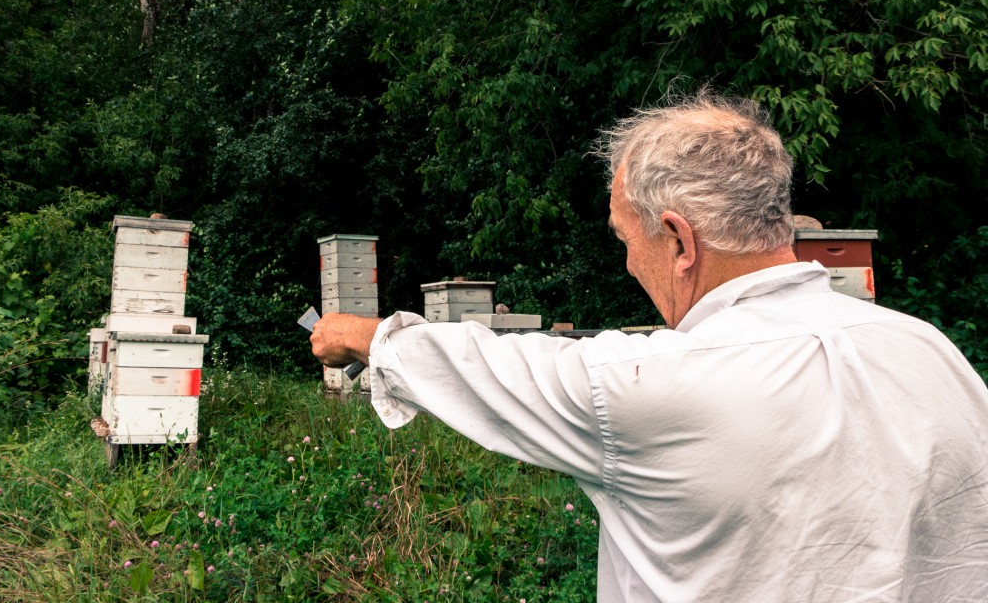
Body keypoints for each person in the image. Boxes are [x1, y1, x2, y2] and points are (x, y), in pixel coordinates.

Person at [310, 90, 988, 602]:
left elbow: (483, 366)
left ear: (679, 239)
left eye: (626, 240)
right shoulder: (932, 352)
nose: (630, 264)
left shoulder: (643, 388)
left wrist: (358, 335)